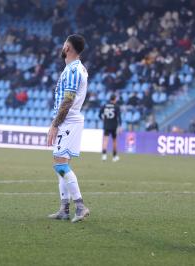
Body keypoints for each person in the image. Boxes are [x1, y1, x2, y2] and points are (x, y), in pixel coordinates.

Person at [46, 34, 90, 223]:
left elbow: (68, 99)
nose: (62, 47)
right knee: (60, 164)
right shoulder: (73, 69)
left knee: (60, 164)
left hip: (68, 121)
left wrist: (55, 125)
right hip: (67, 120)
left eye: (64, 44)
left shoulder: (73, 71)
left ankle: (80, 206)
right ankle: (64, 208)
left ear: (68, 48)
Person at [99, 94, 121, 162]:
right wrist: (120, 126)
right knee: (114, 141)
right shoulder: (116, 106)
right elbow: (119, 117)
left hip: (106, 125)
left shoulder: (104, 105)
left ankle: (104, 156)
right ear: (114, 99)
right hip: (114, 125)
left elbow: (99, 115)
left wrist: (103, 120)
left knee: (105, 140)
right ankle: (114, 157)